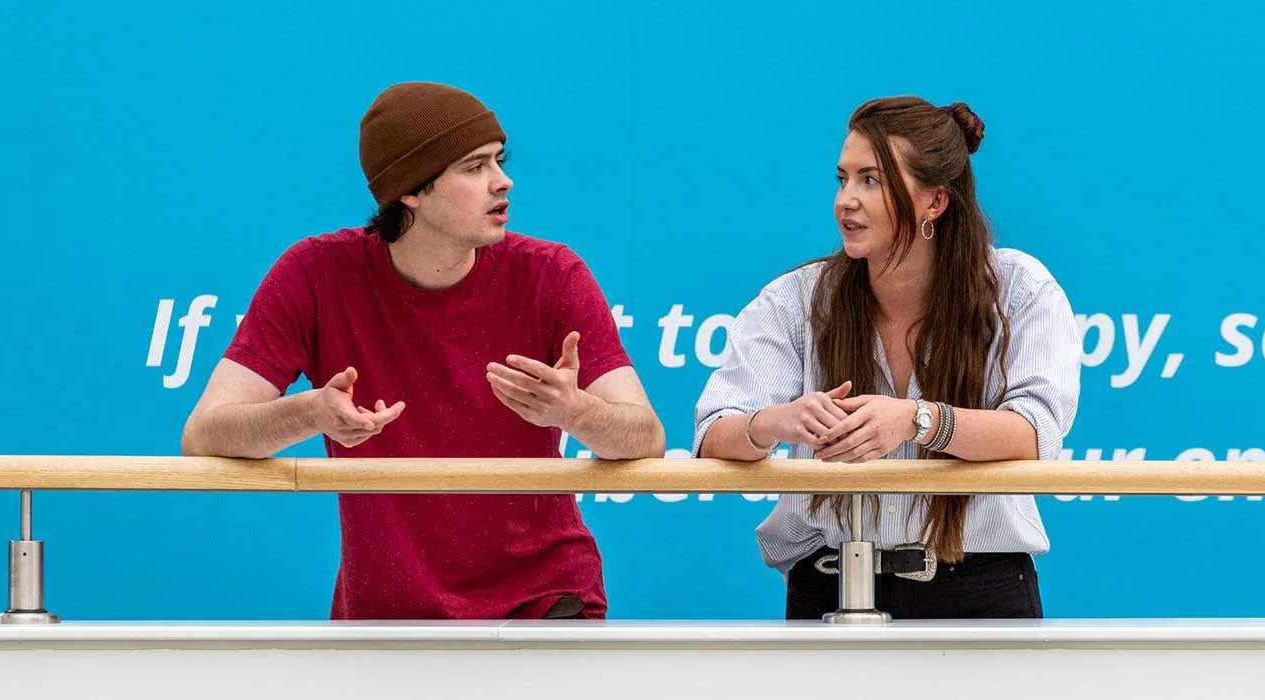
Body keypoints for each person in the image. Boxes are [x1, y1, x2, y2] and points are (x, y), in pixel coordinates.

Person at [180, 81, 664, 620]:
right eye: (474, 167)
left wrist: (574, 411)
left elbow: (644, 435)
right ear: (411, 190)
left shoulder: (553, 274)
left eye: (498, 161)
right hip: (384, 615)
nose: (504, 182)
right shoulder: (313, 274)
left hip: (547, 604)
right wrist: (308, 412)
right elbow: (205, 434)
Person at [693, 97, 1080, 619]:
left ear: (935, 202)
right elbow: (712, 432)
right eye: (842, 178)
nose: (845, 201)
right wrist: (775, 422)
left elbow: (1035, 434)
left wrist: (919, 420)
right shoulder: (796, 299)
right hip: (827, 588)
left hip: (978, 590)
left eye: (870, 180)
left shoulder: (1017, 289)